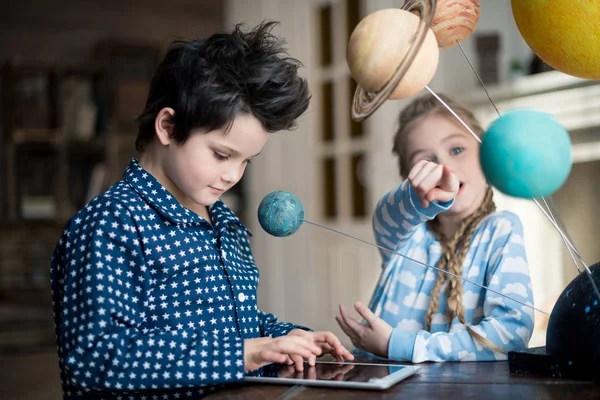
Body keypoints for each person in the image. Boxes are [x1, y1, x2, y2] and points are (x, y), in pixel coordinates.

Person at [50, 21, 352, 400]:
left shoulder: (224, 222)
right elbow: (97, 359)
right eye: (222, 154)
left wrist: (285, 338)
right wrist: (242, 354)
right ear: (168, 125)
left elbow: (233, 326)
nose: (232, 175)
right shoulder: (111, 225)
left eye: (247, 161)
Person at [335, 93, 535, 363]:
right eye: (425, 163)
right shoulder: (408, 236)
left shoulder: (501, 230)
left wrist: (400, 345)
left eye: (456, 150)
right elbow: (389, 215)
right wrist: (417, 196)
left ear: (486, 155)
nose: (445, 168)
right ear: (409, 178)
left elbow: (511, 335)